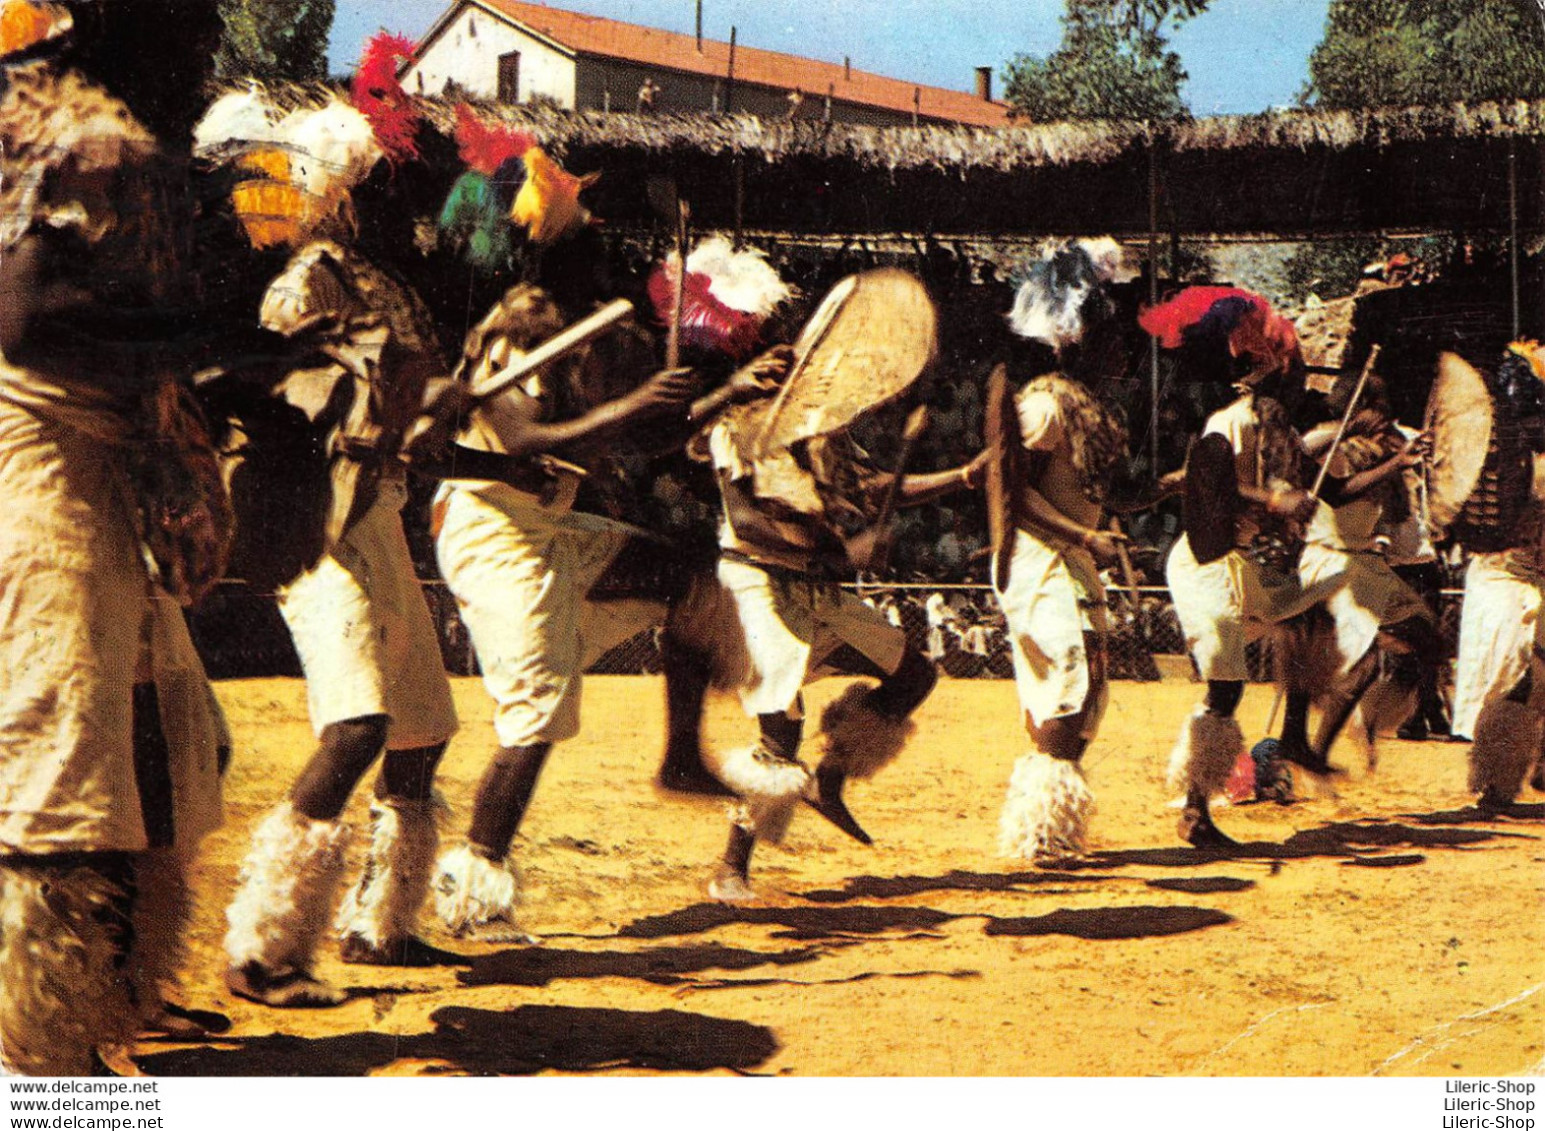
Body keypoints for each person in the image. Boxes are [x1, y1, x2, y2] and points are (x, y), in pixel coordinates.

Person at [0, 0, 234, 1073]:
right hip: (40, 467)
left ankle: (98, 1022)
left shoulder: (112, 142)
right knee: (60, 767)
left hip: (106, 470)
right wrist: (203, 344)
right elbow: (29, 313)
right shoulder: (77, 138)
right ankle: (34, 1055)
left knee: (162, 750)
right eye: (192, 22)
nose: (207, 40)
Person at [200, 88, 462, 1006]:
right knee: (358, 725)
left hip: (379, 514)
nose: (392, 198)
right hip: (323, 522)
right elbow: (277, 407)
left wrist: (429, 427)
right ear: (341, 191)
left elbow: (410, 417)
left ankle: (381, 925)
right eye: (376, 184)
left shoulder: (383, 282)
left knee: (423, 730)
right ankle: (260, 949)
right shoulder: (305, 279)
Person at [428, 285, 787, 939]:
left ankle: (681, 757)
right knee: (535, 711)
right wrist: (635, 402)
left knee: (688, 575)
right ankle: (476, 889)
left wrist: (730, 392)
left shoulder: (579, 346)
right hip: (490, 529)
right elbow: (519, 434)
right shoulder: (515, 340)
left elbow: (640, 436)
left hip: (551, 523)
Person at [1164, 375, 1322, 847]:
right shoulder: (1228, 423)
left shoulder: (1285, 438)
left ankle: (1294, 735)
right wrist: (1277, 500)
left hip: (1241, 563)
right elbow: (1215, 485)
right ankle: (1196, 810)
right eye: (1288, 379)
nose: (1296, 394)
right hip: (1205, 563)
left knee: (1308, 621)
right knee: (1226, 687)